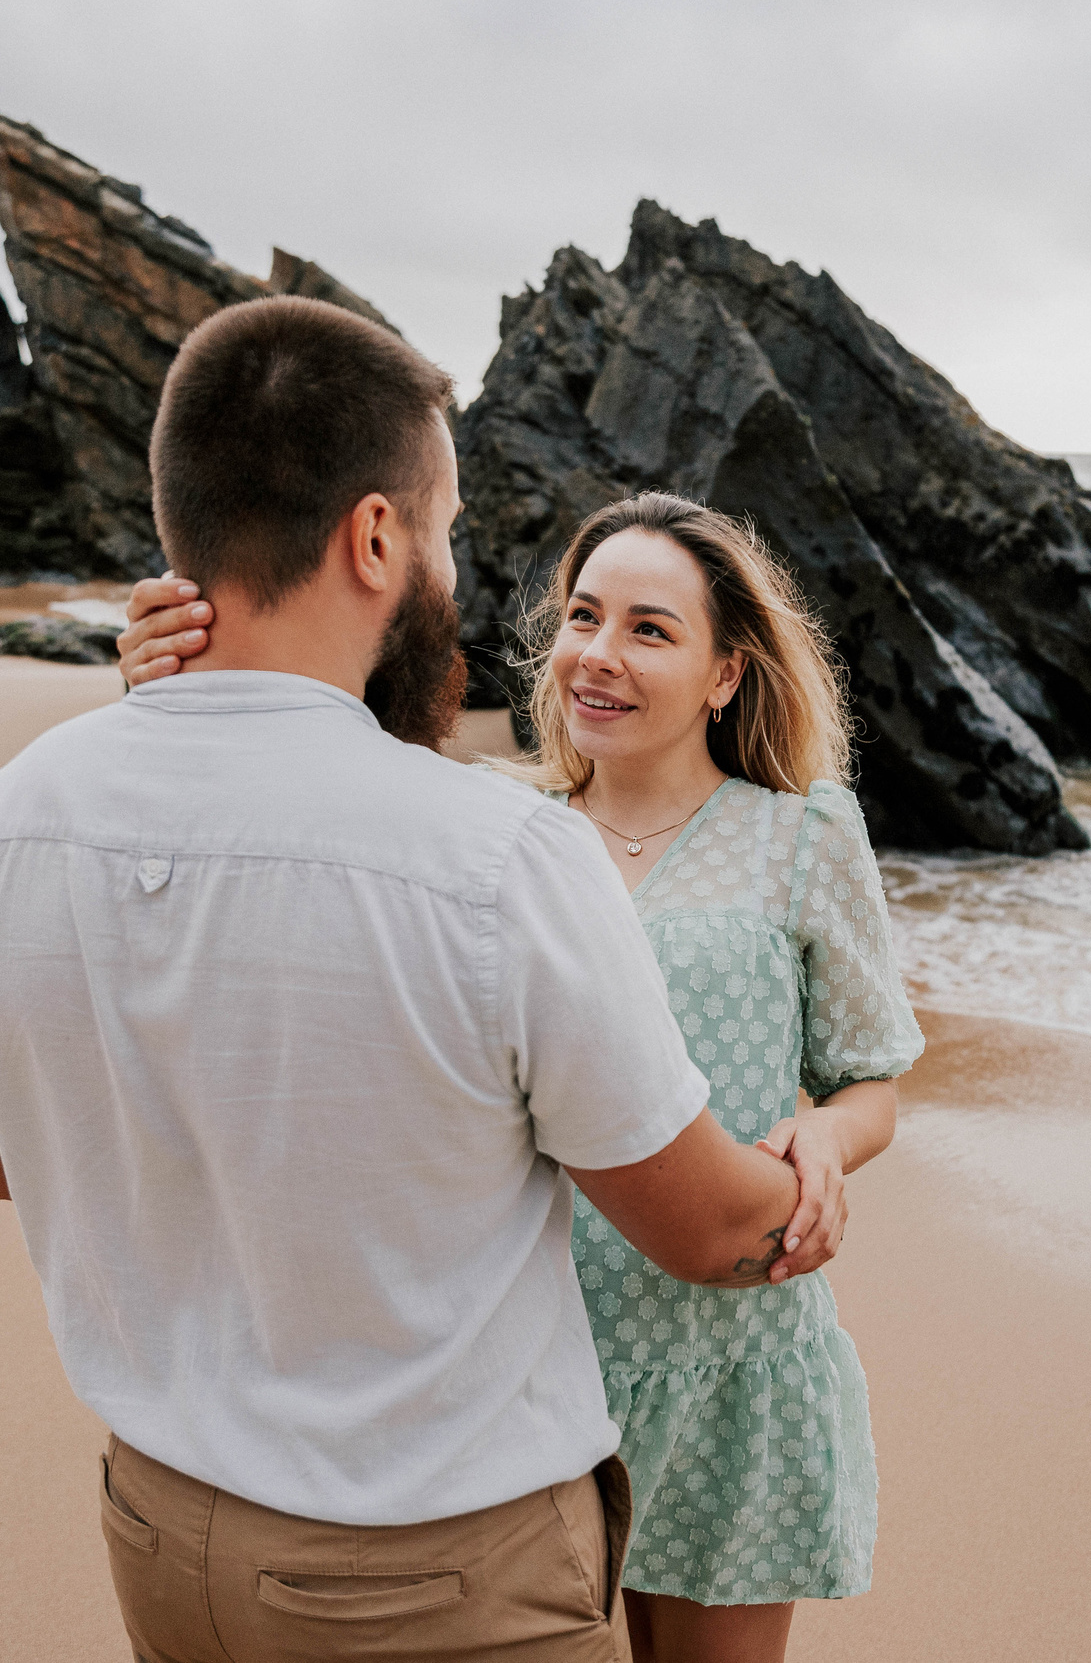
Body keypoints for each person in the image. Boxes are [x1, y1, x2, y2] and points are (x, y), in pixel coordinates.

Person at [0, 298, 844, 1663]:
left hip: (162, 1538)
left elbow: (1, 1158)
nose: (453, 573)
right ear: (372, 537)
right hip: (436, 1579)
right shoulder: (503, 858)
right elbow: (709, 1232)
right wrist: (806, 1175)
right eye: (444, 530)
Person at [118, 492, 924, 1663]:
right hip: (517, 1361)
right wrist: (174, 691)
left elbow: (869, 1080)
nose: (598, 653)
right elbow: (296, 806)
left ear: (725, 674)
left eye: (650, 629)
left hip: (725, 1353)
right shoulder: (490, 825)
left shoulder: (804, 836)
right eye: (583, 617)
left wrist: (827, 1140)